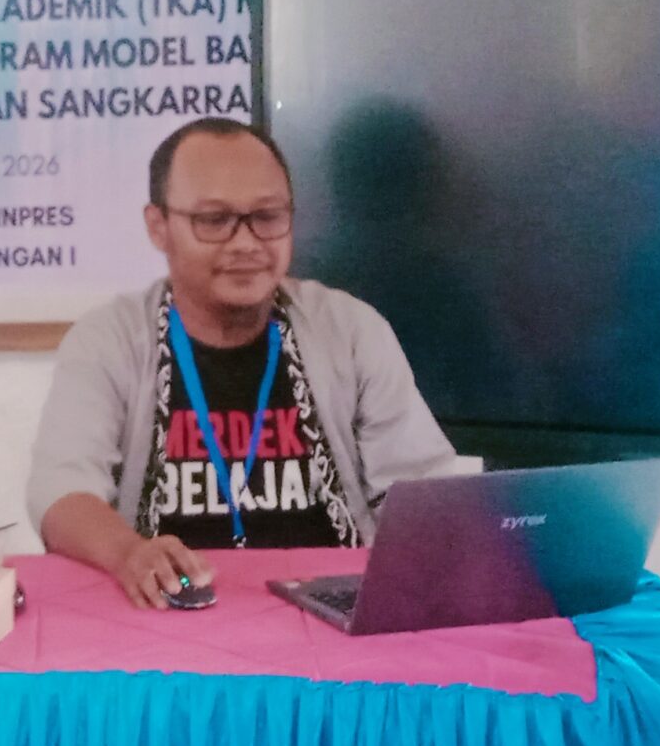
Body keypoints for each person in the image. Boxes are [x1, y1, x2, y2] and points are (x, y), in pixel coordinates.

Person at [26, 117, 461, 610]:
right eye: (214, 220)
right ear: (158, 227)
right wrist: (129, 552)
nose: (246, 243)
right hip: (168, 611)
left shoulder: (351, 330)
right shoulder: (110, 341)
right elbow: (60, 492)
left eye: (267, 216)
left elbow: (425, 491)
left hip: (331, 613)